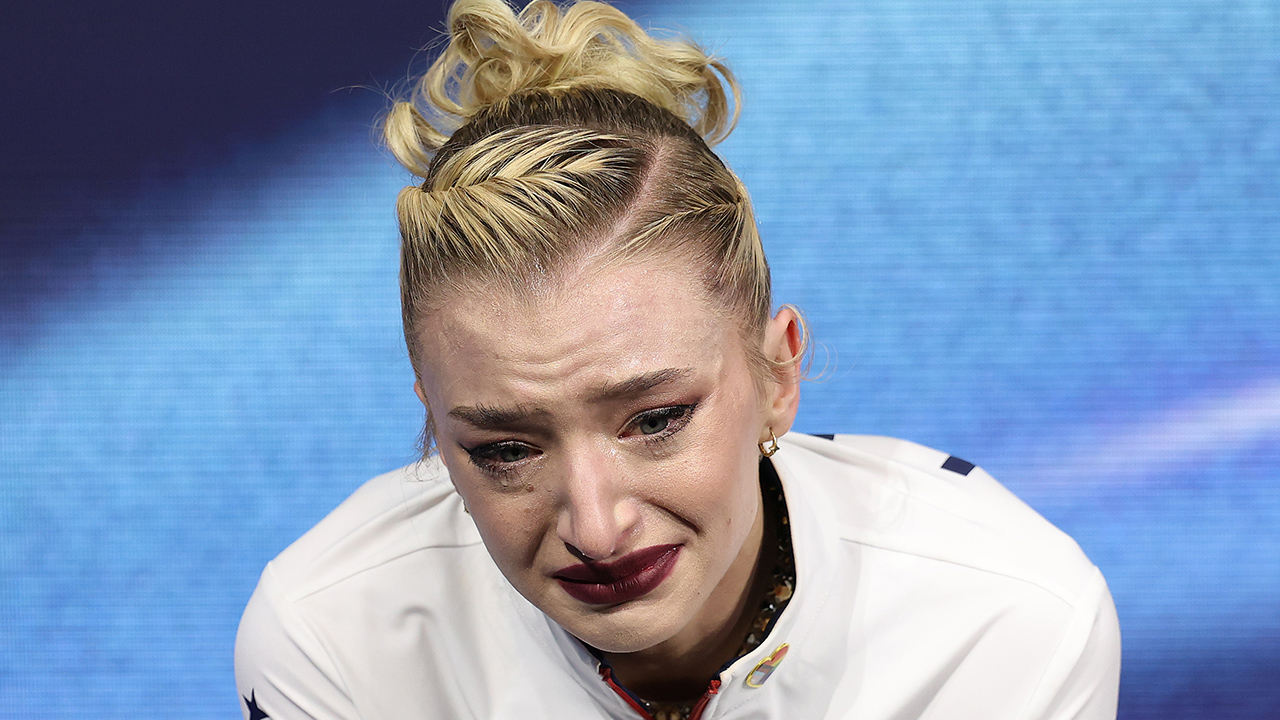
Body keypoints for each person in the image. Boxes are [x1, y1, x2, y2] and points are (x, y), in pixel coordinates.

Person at [234, 0, 1122, 718]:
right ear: (434, 423)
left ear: (779, 376)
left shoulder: (1004, 618)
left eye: (656, 420)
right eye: (505, 449)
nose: (595, 528)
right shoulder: (330, 634)